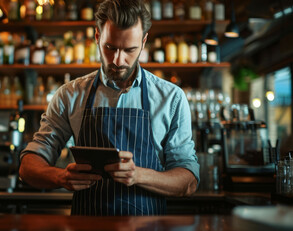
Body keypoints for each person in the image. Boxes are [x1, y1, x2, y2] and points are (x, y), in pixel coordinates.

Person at [19, 0, 199, 216]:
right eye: (110, 47)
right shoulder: (70, 95)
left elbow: (188, 182)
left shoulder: (171, 98)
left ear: (144, 41)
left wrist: (138, 175)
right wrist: (61, 177)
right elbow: (28, 167)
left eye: (130, 50)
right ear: (97, 36)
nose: (118, 60)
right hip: (87, 230)